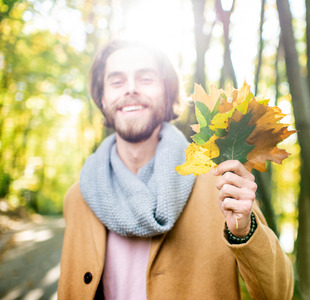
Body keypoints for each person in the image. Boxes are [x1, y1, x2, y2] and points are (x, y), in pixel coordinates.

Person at [57, 40, 294, 299]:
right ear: (102, 98)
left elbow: (279, 293)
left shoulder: (219, 183)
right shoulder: (78, 198)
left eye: (145, 79)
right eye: (117, 81)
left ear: (167, 93)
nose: (131, 89)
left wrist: (245, 232)